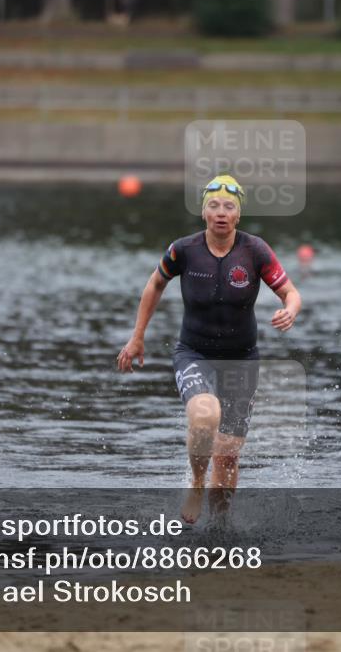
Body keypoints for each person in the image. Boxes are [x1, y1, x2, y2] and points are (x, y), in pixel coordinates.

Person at [116, 174, 302, 523]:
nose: (221, 212)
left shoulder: (255, 250)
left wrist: (289, 310)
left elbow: (290, 293)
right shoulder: (183, 250)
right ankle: (197, 484)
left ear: (238, 215)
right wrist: (137, 336)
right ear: (203, 212)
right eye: (213, 205)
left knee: (228, 456)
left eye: (229, 207)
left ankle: (220, 529)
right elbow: (155, 284)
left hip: (241, 359)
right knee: (204, 416)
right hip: (195, 353)